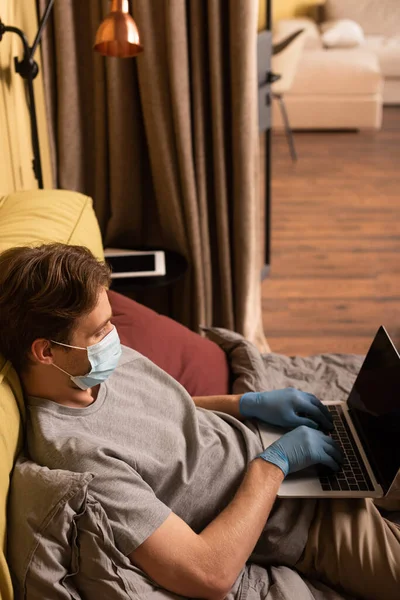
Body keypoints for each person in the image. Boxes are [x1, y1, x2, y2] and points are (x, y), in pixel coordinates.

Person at [0, 243, 399, 600]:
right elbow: (207, 574)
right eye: (99, 330)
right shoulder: (82, 460)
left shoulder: (90, 369)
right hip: (301, 518)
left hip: (284, 447)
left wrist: (246, 404)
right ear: (46, 352)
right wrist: (273, 465)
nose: (113, 337)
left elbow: (159, 410)